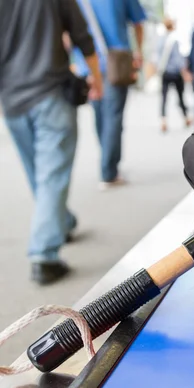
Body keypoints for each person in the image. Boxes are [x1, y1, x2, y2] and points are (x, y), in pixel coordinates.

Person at [0, 0, 102, 284]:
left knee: (40, 171)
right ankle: (44, 255)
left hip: (11, 102)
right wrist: (96, 77)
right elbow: (81, 34)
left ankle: (62, 221)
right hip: (50, 94)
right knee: (50, 174)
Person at [73, 0, 146, 190]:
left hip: (87, 63)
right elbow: (138, 22)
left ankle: (108, 161)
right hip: (117, 61)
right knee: (113, 116)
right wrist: (138, 52)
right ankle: (109, 171)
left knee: (100, 115)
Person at [153, 18, 191, 133]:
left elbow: (156, 58)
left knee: (164, 97)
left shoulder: (160, 40)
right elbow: (178, 59)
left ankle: (163, 120)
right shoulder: (174, 41)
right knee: (180, 96)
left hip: (165, 73)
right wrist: (184, 71)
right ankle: (185, 118)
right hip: (175, 73)